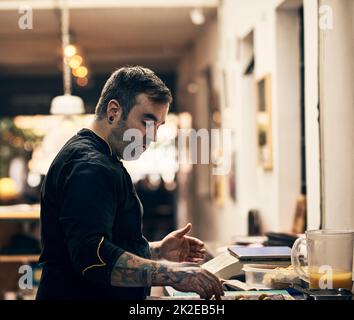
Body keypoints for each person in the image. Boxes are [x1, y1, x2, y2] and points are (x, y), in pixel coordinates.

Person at [36, 66, 224, 300]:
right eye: (147, 122)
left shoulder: (103, 157)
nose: (153, 136)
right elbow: (92, 256)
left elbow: (107, 242)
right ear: (113, 111)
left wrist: (157, 250)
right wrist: (176, 275)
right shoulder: (90, 166)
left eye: (158, 126)